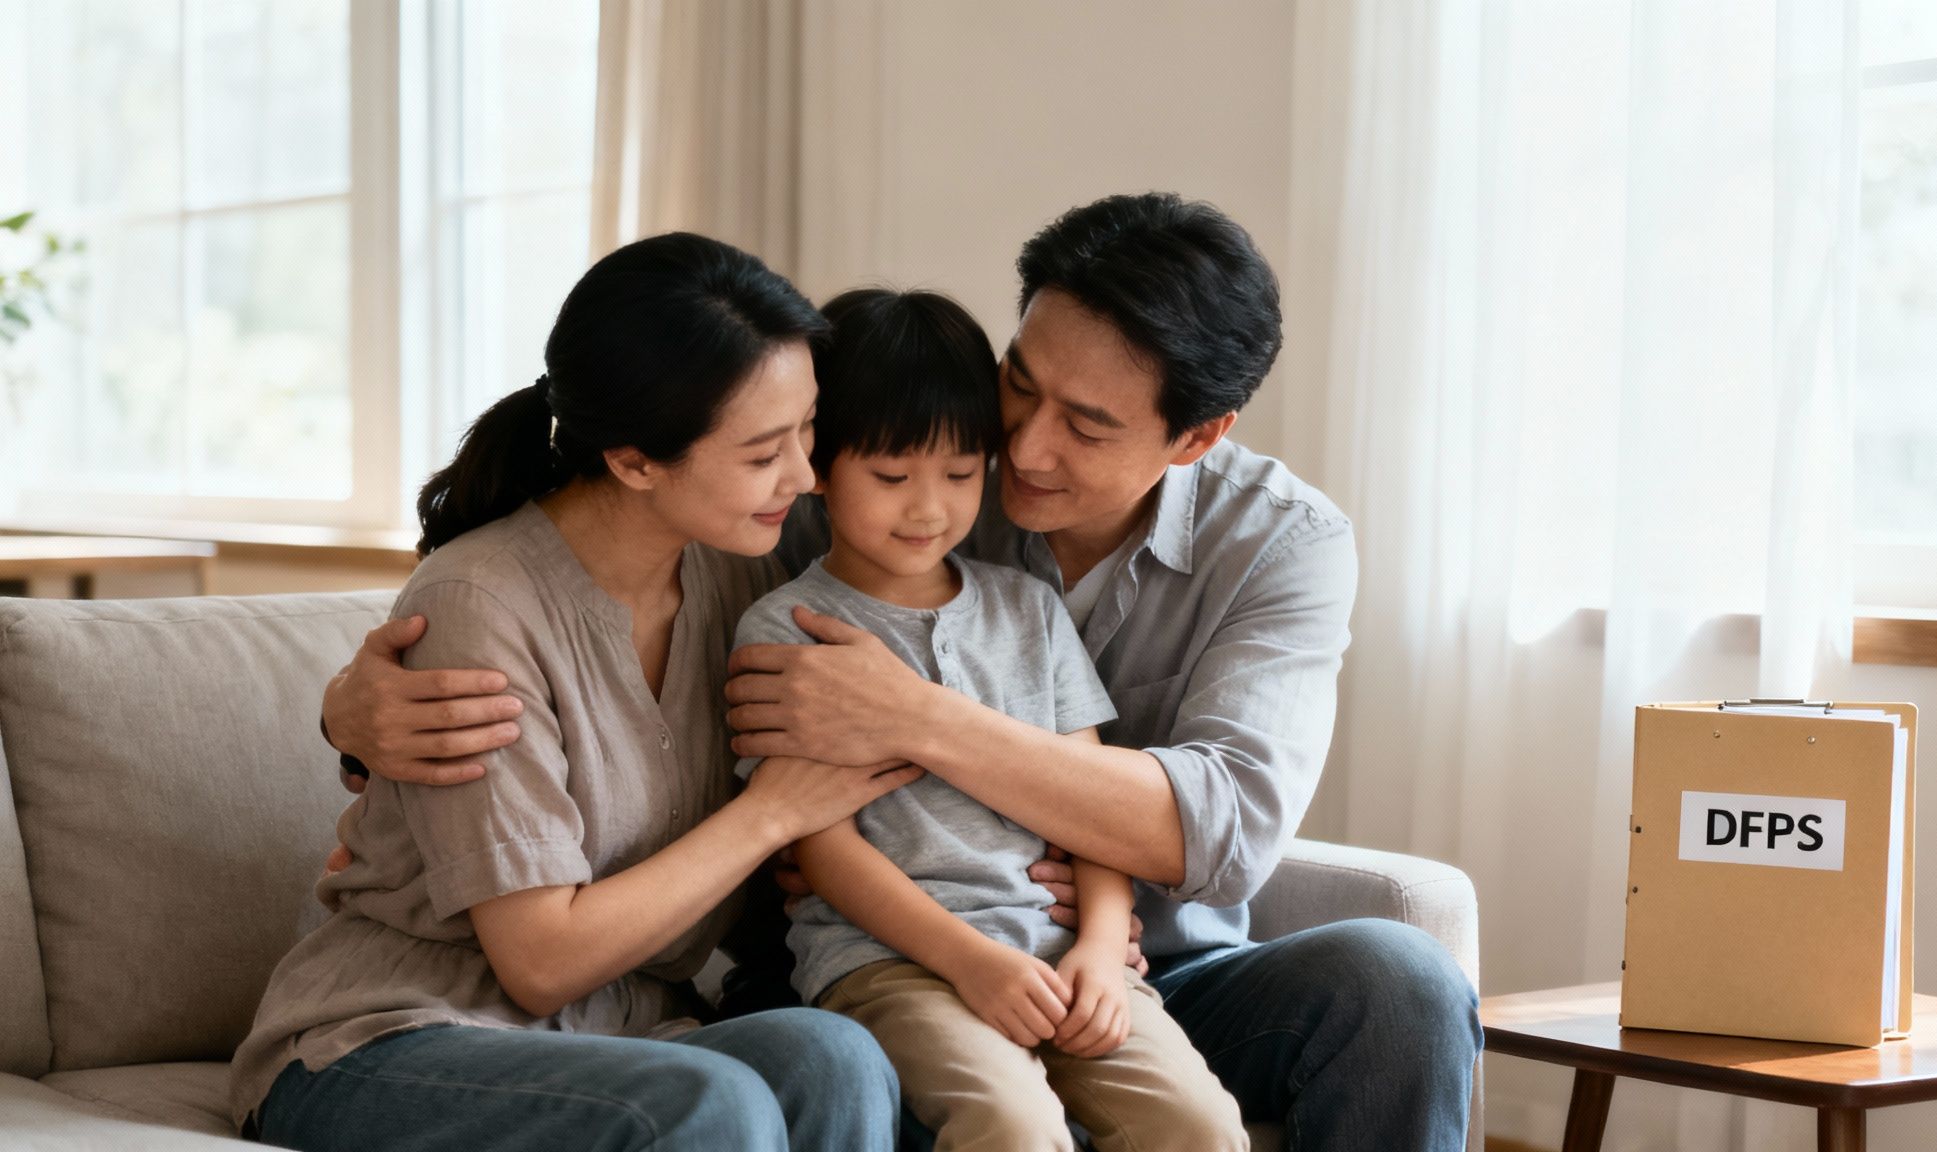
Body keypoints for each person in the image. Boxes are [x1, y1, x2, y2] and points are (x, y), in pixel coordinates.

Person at [322, 193, 1483, 1150]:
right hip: (888, 959)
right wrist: (349, 714)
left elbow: (1221, 828)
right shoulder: (862, 499)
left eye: (1084, 426)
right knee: (846, 1071)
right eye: (1019, 383)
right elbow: (590, 551)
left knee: (1401, 982)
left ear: (1195, 438)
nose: (1021, 450)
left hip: (1136, 965)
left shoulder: (1279, 543)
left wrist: (918, 721)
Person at [230, 232, 907, 1152]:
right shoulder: (480, 603)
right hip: (394, 1038)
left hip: (630, 1034)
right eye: (762, 452)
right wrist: (772, 815)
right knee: (711, 1103)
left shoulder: (741, 569)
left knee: (836, 1056)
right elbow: (541, 961)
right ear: (632, 461)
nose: (803, 473)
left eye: (808, 429)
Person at [737, 287, 1245, 1149]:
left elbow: (1093, 806)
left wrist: (1098, 944)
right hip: (892, 966)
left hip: (1062, 956)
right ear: (821, 464)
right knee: (1012, 1125)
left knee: (1204, 1128)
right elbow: (819, 850)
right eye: (892, 478)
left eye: (963, 474)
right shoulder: (786, 629)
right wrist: (970, 960)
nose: (929, 508)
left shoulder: (1027, 608)